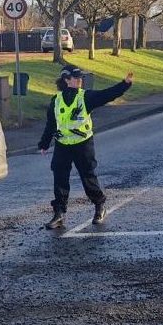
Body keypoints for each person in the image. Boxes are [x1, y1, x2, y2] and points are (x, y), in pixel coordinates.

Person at [39, 67, 134, 229]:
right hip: (62, 145)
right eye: (76, 77)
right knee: (60, 178)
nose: (80, 80)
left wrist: (124, 85)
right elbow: (51, 123)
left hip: (83, 144)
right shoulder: (56, 100)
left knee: (87, 177)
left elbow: (106, 95)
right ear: (66, 80)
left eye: (80, 77)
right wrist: (44, 143)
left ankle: (99, 206)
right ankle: (59, 213)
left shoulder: (85, 97)